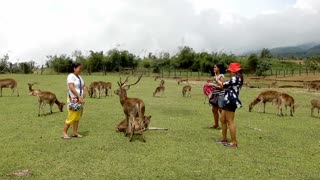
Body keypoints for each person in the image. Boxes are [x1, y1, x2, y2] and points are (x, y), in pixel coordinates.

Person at [215, 62, 243, 147]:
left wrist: (217, 80)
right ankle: (224, 139)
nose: (230, 72)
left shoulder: (236, 78)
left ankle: (234, 142)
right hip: (227, 100)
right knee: (222, 119)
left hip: (231, 101)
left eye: (231, 70)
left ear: (234, 71)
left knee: (230, 121)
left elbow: (224, 85)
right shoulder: (235, 78)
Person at [62, 62, 85, 139]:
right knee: (71, 116)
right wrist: (79, 97)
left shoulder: (79, 77)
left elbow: (83, 86)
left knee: (77, 116)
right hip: (74, 99)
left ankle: (75, 132)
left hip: (79, 99)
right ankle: (64, 132)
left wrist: (83, 95)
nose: (80, 70)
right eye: (79, 68)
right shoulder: (71, 76)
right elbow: (71, 88)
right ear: (74, 68)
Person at [206, 63, 226, 129]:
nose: (214, 68)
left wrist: (212, 85)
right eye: (214, 67)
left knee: (221, 110)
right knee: (214, 110)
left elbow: (222, 87)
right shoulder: (215, 76)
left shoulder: (221, 76)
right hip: (215, 94)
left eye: (215, 67)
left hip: (221, 95)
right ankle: (216, 124)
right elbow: (215, 86)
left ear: (219, 68)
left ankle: (224, 126)